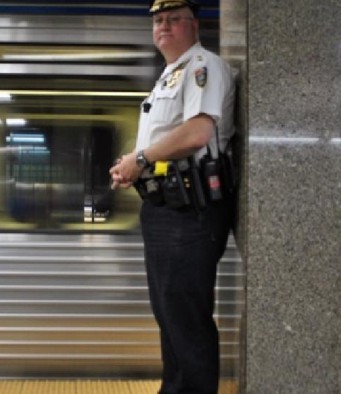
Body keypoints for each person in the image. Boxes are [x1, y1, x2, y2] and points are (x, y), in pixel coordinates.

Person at [109, 0, 236, 393]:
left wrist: (141, 158)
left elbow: (198, 133)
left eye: (173, 19)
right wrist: (133, 165)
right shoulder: (169, 75)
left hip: (191, 210)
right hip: (167, 207)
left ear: (194, 25)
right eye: (158, 21)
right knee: (170, 314)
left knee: (185, 317)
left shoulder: (202, 67)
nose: (163, 26)